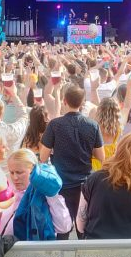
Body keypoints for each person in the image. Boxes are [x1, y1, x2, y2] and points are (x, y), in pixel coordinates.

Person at [40, 84, 104, 239]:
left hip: (62, 184)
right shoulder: (92, 125)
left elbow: (42, 157)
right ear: (82, 103)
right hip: (85, 184)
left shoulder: (55, 125)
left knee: (63, 229)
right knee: (83, 228)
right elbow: (101, 157)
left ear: (64, 101)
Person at [0, 148, 71, 239]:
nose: (15, 177)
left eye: (19, 172)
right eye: (11, 172)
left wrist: (52, 196)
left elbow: (64, 227)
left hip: (36, 251)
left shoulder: (44, 192)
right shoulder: (13, 191)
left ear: (33, 171)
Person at [92, 97, 122, 171]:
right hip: (109, 168)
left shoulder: (94, 128)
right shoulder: (118, 130)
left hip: (93, 167)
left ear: (100, 111)